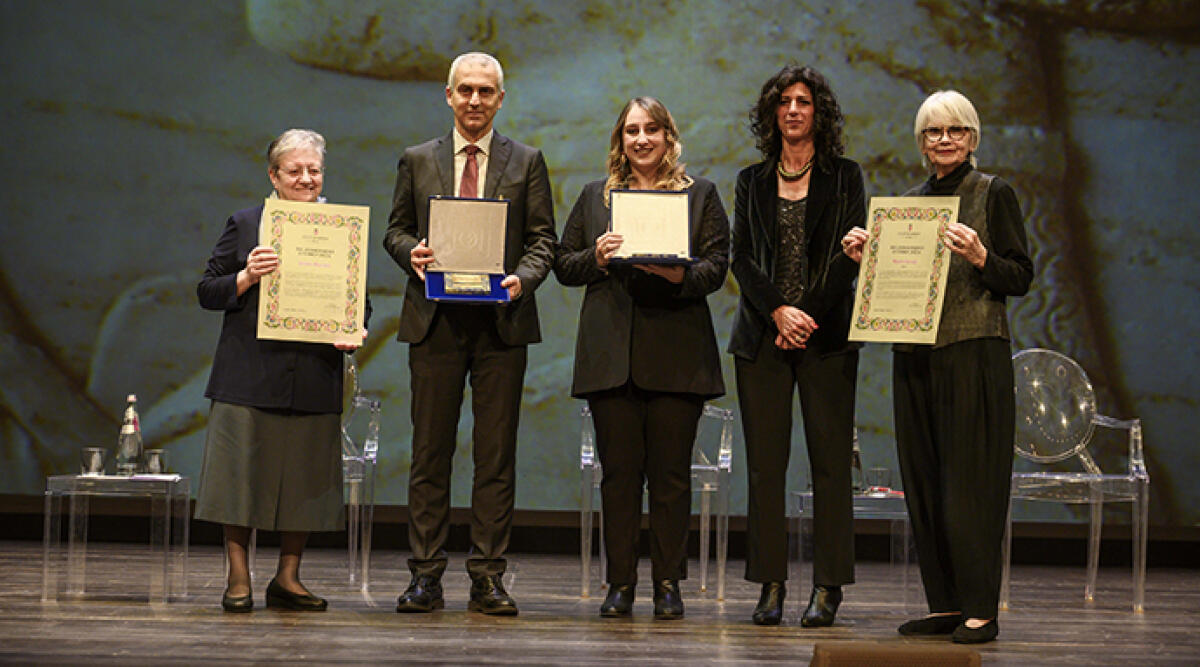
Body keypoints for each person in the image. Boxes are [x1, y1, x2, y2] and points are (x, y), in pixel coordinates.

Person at [842, 90, 1033, 643]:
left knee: (970, 485)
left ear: (973, 139)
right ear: (921, 143)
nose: (944, 141)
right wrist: (866, 260)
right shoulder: (907, 205)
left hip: (973, 352)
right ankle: (947, 604)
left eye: (955, 131)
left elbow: (1019, 276)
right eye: (933, 132)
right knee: (924, 481)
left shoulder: (993, 194)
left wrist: (979, 256)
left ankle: (980, 608)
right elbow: (892, 289)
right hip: (915, 355)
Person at [382, 52, 556, 616]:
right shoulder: (417, 159)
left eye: (486, 91)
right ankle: (426, 574)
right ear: (448, 96)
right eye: (466, 91)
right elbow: (396, 231)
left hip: (500, 324)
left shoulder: (527, 161)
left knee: (494, 456)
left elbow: (542, 242)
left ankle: (487, 575)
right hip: (435, 323)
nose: (475, 101)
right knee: (429, 454)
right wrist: (414, 253)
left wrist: (521, 281)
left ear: (501, 99)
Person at [555, 97, 728, 620]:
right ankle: (621, 582)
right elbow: (565, 264)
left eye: (652, 129)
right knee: (619, 477)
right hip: (612, 358)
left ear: (669, 136)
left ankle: (669, 582)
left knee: (671, 478)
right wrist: (597, 257)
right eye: (632, 130)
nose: (642, 139)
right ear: (620, 140)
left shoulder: (701, 195)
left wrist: (681, 276)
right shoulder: (594, 198)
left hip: (678, 358)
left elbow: (718, 267)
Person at [196, 128, 368, 612]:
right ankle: (238, 577)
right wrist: (247, 276)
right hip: (249, 373)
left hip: (314, 371)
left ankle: (288, 578)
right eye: (295, 170)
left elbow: (360, 304)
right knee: (238, 479)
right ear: (273, 175)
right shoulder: (247, 223)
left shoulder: (342, 229)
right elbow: (208, 290)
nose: (306, 178)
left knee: (305, 481)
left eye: (314, 170)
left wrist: (355, 330)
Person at [727, 65, 865, 627]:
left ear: (819, 112)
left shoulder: (845, 177)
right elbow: (741, 258)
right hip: (762, 337)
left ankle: (828, 586)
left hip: (826, 337)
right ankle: (770, 584)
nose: (793, 110)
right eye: (784, 101)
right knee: (765, 467)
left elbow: (848, 258)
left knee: (830, 465)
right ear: (771, 113)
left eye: (804, 101)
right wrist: (779, 313)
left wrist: (805, 314)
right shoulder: (750, 180)